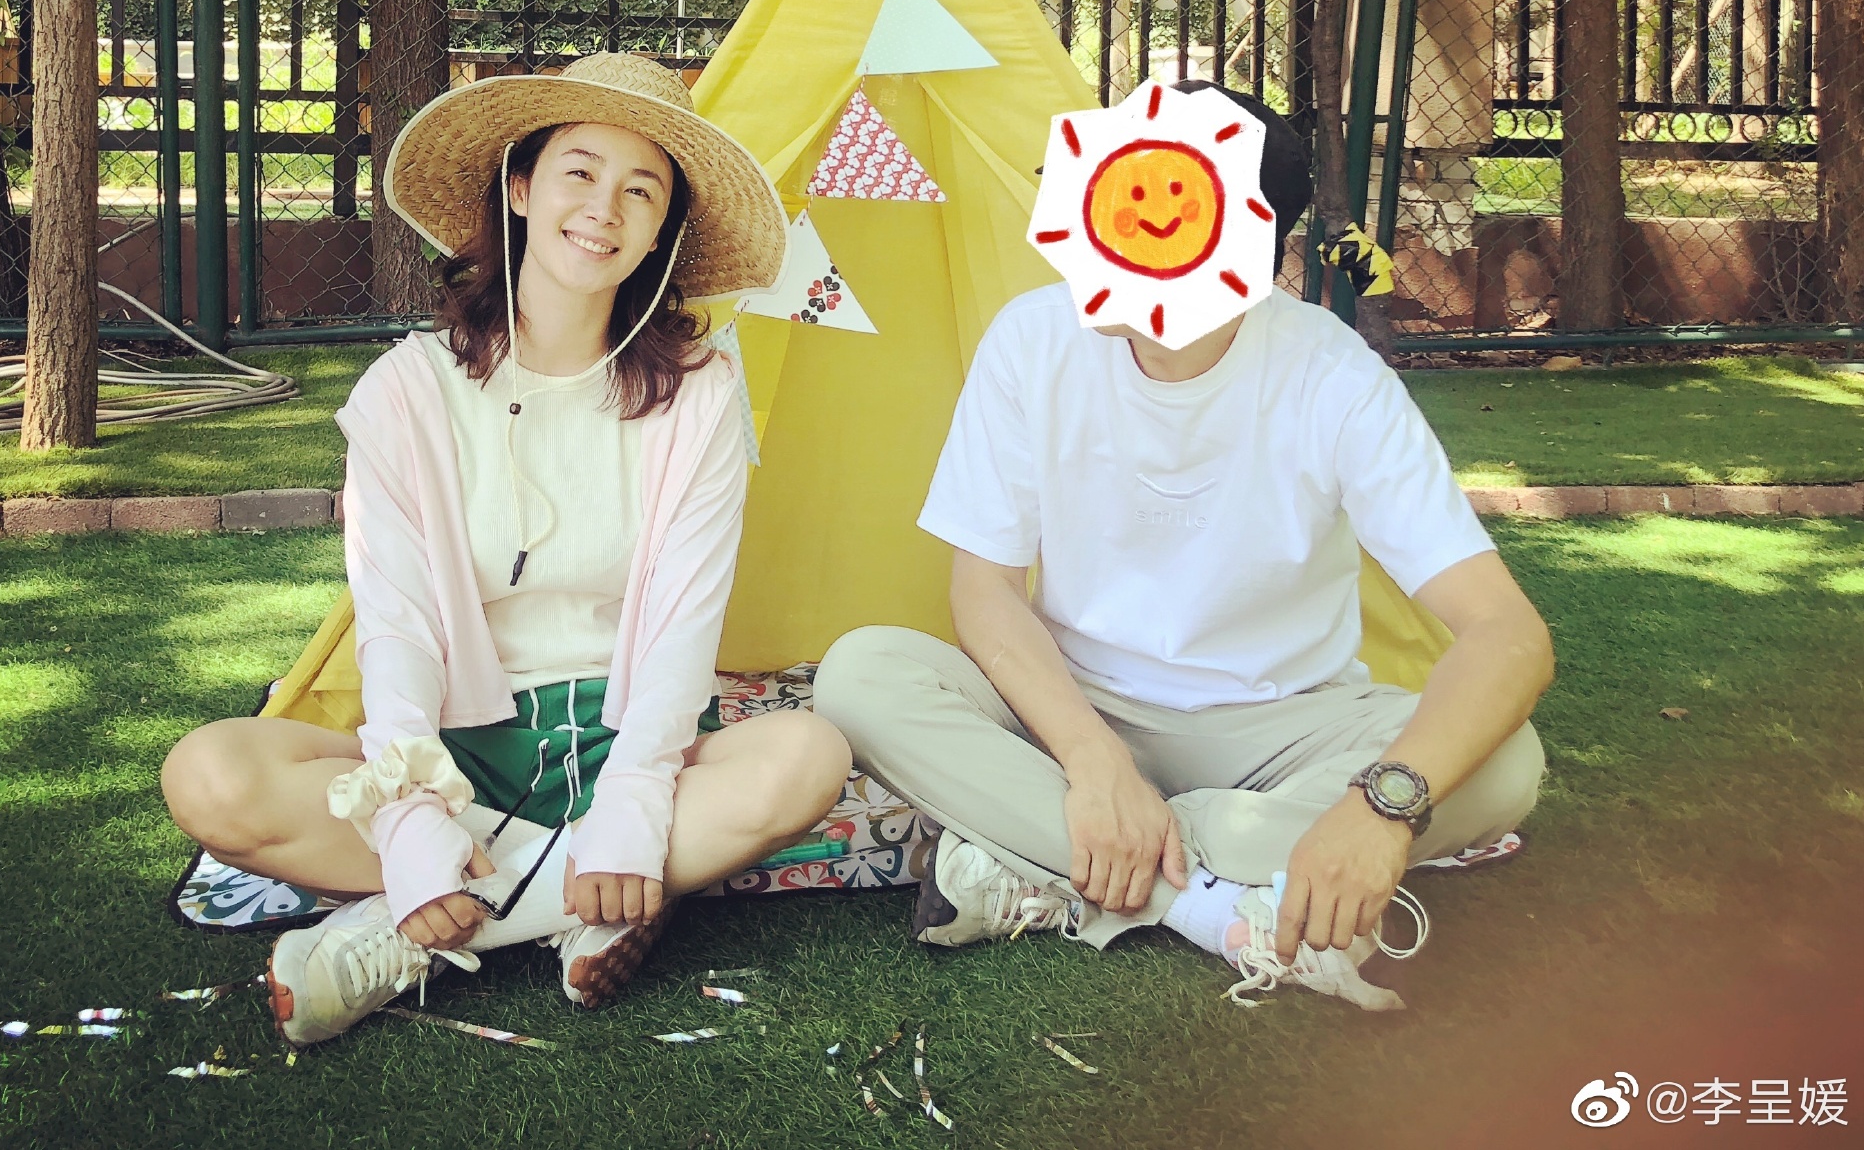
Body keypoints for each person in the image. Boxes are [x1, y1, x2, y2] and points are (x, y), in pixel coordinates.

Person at [813, 80, 1552, 1012]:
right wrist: (1093, 761)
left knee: (1508, 760)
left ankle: (1044, 861)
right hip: (1071, 707)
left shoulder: (1335, 379)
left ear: (1247, 244)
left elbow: (1507, 635)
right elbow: (985, 590)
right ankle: (1215, 903)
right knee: (863, 674)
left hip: (1281, 728)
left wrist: (1378, 808)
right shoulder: (1031, 340)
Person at [162, 54, 852, 1046]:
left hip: (628, 738)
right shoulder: (406, 391)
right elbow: (396, 630)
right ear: (520, 188)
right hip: (460, 753)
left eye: (641, 190)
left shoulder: (699, 390)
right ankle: (588, 895)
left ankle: (404, 933)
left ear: (661, 231)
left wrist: (633, 802)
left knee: (807, 756)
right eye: (580, 171)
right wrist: (410, 818)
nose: (603, 209)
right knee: (210, 774)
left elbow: (682, 623)